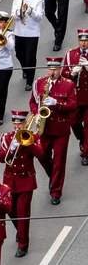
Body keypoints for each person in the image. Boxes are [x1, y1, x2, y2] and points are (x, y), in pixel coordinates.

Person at [29, 57, 77, 205]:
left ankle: (56, 191)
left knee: (59, 161)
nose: (53, 72)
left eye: (55, 69)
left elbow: (73, 106)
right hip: (44, 128)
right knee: (42, 155)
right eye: (50, 69)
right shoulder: (39, 83)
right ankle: (53, 176)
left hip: (61, 128)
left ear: (60, 69)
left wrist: (57, 103)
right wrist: (36, 113)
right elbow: (32, 101)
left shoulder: (68, 85)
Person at [0, 110, 44, 258]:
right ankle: (20, 230)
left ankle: (23, 244)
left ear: (25, 123)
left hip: (26, 180)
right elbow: (0, 158)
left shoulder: (33, 137)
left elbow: (41, 154)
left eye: (20, 123)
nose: (17, 126)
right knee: (10, 210)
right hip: (10, 180)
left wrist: (27, 143)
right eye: (15, 123)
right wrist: (11, 147)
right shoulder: (6, 137)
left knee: (23, 212)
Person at [12, 0, 44, 91]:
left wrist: (30, 10)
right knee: (19, 54)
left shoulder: (38, 0)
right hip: (19, 31)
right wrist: (19, 11)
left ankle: (29, 81)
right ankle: (25, 69)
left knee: (30, 57)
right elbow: (13, 15)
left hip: (32, 33)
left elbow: (39, 17)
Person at [62, 29, 88, 165]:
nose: (83, 43)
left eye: (86, 41)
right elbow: (63, 71)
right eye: (81, 40)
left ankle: (86, 153)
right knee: (73, 122)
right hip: (75, 96)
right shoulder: (70, 54)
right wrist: (72, 73)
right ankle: (82, 139)